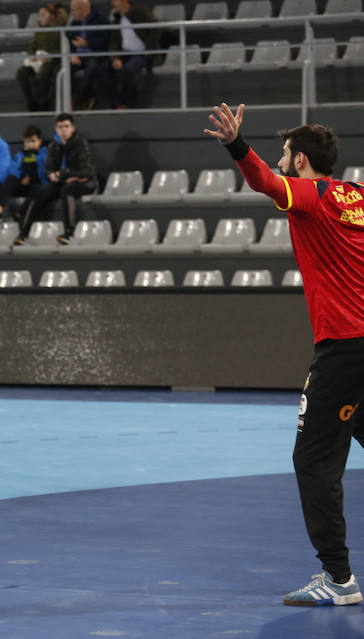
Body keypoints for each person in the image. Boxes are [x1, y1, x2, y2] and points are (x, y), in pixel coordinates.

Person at [205, 102, 364, 607]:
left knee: (313, 459)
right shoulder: (358, 196)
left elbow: (263, 184)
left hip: (343, 347)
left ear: (300, 161)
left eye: (284, 154)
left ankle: (338, 579)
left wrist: (236, 144)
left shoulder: (311, 195)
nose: (279, 162)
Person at [14, 112, 97, 245]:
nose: (63, 130)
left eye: (66, 126)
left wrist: (65, 174)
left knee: (67, 190)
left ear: (72, 128)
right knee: (39, 193)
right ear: (56, 129)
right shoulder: (54, 145)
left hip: (85, 182)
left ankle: (69, 233)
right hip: (62, 182)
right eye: (60, 127)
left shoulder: (80, 143)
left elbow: (86, 170)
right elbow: (48, 168)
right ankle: (24, 233)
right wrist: (51, 175)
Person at [100, 0, 158, 109]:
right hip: (123, 53)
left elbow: (155, 28)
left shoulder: (140, 12)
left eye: (115, 1)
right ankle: (116, 103)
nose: (113, 4)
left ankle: (128, 104)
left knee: (127, 70)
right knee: (104, 68)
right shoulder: (117, 17)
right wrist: (114, 58)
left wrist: (149, 50)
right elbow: (113, 40)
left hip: (141, 54)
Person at [0, 125, 48, 228]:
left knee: (37, 190)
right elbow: (13, 169)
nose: (30, 145)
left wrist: (31, 176)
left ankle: (19, 216)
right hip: (23, 184)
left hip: (37, 184)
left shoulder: (44, 153)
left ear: (40, 141)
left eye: (33, 141)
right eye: (27, 142)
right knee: (6, 181)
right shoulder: (21, 154)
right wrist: (21, 180)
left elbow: (43, 171)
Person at [16, 3, 69, 112]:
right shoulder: (39, 31)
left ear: (52, 16)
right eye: (40, 15)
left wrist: (51, 57)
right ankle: (31, 102)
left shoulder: (60, 31)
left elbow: (63, 48)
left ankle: (43, 103)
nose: (40, 18)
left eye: (43, 15)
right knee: (21, 73)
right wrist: (32, 55)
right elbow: (33, 46)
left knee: (44, 74)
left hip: (53, 61)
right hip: (38, 60)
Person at [67, 0, 110, 110]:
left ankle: (76, 100)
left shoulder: (101, 20)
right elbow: (69, 39)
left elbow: (105, 41)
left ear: (84, 10)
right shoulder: (75, 22)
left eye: (73, 10)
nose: (71, 13)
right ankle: (59, 103)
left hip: (95, 55)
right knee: (61, 69)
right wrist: (72, 55)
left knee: (91, 69)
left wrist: (87, 43)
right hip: (78, 56)